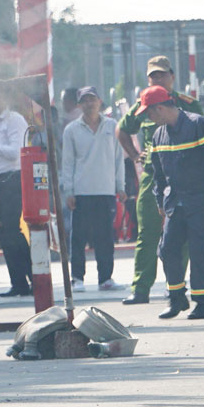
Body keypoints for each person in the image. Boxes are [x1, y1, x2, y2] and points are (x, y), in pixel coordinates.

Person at [139, 85, 204, 320]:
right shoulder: (158, 134)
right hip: (175, 202)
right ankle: (176, 298)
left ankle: (202, 303)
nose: (148, 118)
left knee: (199, 250)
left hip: (201, 199)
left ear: (160, 108)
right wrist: (159, 198)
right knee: (167, 249)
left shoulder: (198, 124)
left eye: (149, 113)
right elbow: (159, 173)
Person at [116, 56, 202, 305]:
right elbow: (122, 130)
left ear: (172, 77)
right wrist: (135, 156)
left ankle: (174, 286)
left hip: (183, 178)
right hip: (153, 176)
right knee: (148, 234)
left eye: (162, 74)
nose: (158, 79)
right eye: (153, 75)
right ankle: (140, 289)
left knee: (181, 234)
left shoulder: (188, 104)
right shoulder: (141, 105)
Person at [61, 87, 126, 292]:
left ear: (100, 101)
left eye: (92, 99)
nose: (89, 104)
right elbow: (68, 163)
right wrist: (68, 191)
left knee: (105, 237)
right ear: (79, 105)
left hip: (105, 190)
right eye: (85, 101)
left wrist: (120, 186)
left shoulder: (112, 126)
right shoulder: (71, 130)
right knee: (78, 237)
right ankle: (77, 279)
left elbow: (118, 160)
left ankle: (105, 278)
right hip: (81, 191)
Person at [0, 86, 32, 297]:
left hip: (13, 179)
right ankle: (18, 282)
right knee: (4, 233)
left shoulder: (15, 120)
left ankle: (33, 277)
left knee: (14, 231)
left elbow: (15, 153)